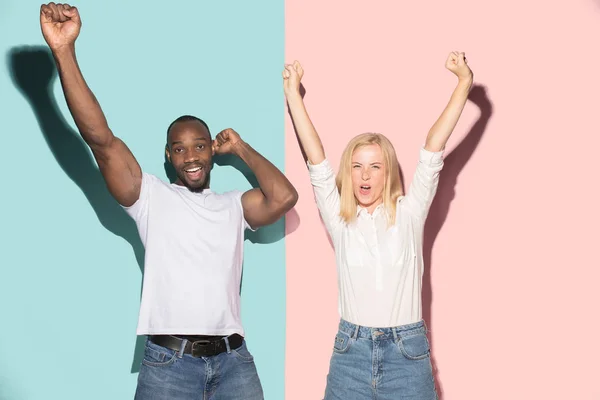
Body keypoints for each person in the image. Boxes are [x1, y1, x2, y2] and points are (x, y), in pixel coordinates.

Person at [40, 3, 298, 399]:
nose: (191, 156)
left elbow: (284, 197)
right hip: (169, 366)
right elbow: (102, 140)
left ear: (212, 151)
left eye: (199, 146)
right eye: (180, 149)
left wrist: (241, 148)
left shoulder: (234, 206)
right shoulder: (150, 197)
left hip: (235, 363)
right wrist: (64, 51)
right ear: (167, 156)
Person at [282, 52, 473, 399]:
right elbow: (317, 163)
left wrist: (463, 84)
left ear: (388, 172)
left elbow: (433, 150)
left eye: (374, 166)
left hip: (407, 355)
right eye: (356, 166)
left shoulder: (410, 212)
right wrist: (293, 94)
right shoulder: (339, 220)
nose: (365, 176)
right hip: (350, 354)